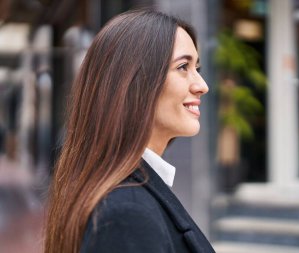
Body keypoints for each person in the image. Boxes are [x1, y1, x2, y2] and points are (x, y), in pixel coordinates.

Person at [44, 9, 215, 253]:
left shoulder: (125, 195)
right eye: (183, 67)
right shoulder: (127, 213)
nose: (202, 86)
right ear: (134, 81)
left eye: (197, 68)